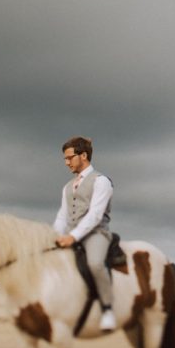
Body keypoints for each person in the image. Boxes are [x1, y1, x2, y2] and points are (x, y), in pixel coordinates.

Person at [53, 136, 117, 332]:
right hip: (71, 234)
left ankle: (107, 309)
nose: (66, 162)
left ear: (83, 155)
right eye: (65, 158)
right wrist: (55, 236)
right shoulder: (67, 187)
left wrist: (73, 236)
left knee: (95, 264)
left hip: (96, 234)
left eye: (69, 158)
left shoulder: (101, 181)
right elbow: (63, 216)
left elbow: (95, 214)